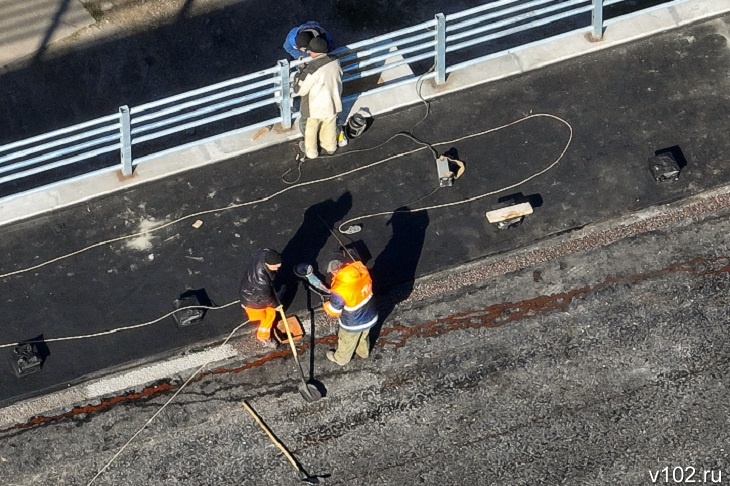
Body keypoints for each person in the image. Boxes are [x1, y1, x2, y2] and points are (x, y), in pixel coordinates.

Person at [322, 255, 378, 366]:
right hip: (370, 314)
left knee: (346, 342)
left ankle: (341, 359)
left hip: (353, 322)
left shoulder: (341, 290)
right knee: (363, 336)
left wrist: (326, 305)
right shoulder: (361, 270)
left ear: (334, 272)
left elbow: (334, 311)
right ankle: (363, 352)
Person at [293, 36, 343, 160]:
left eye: (310, 50)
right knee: (330, 126)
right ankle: (330, 147)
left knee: (311, 130)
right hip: (333, 102)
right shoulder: (335, 61)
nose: (309, 52)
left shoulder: (311, 69)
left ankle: (311, 153)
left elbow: (300, 90)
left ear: (314, 51)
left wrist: (299, 73)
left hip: (315, 107)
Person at [239, 248, 282, 347]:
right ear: (267, 264)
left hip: (247, 289)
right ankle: (263, 336)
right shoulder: (261, 280)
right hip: (252, 299)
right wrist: (276, 306)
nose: (277, 269)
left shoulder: (264, 252)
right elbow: (267, 297)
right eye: (275, 267)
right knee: (270, 315)